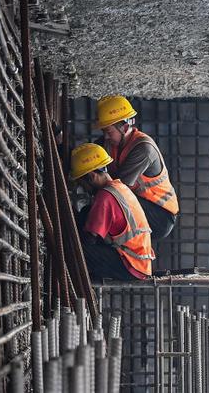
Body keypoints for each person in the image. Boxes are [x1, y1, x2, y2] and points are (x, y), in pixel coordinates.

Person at [95, 95, 178, 240]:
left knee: (110, 199)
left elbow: (119, 189)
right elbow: (89, 155)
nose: (106, 137)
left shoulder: (143, 149)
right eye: (104, 132)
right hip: (140, 202)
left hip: (159, 215)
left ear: (125, 127)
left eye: (108, 132)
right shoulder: (111, 141)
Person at [71, 143, 155, 281]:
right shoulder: (119, 187)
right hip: (139, 263)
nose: (83, 188)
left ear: (91, 176)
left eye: (82, 183)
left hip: (130, 265)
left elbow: (89, 239)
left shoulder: (105, 197)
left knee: (75, 251)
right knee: (86, 212)